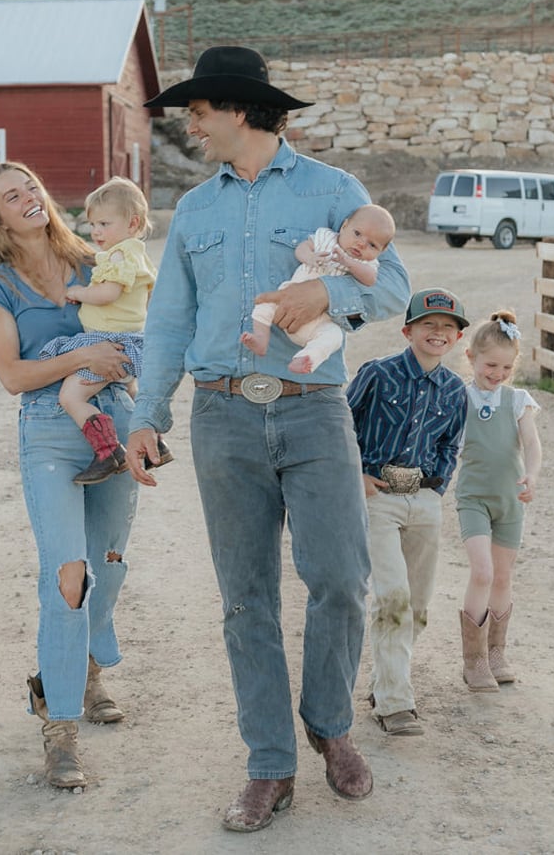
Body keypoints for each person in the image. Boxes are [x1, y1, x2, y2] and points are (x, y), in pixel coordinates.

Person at [126, 46, 410, 832]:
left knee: (341, 579)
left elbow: (393, 283)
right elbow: (170, 319)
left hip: (315, 408)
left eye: (199, 111)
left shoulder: (334, 189)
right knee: (244, 598)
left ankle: (330, 724)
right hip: (222, 413)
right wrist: (148, 414)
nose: (191, 126)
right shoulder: (194, 211)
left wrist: (328, 290)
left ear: (241, 111)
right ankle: (269, 764)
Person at [0, 161, 140, 790]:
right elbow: (12, 376)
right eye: (12, 197)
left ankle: (84, 670)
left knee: (110, 564)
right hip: (47, 431)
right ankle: (60, 731)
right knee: (69, 575)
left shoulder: (98, 261)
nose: (29, 199)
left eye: (33, 187)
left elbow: (143, 324)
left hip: (115, 418)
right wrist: (81, 354)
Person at [346, 288, 469, 737]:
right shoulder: (378, 374)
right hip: (378, 497)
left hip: (423, 498)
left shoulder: (456, 391)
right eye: (429, 325)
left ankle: (384, 682)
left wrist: (436, 489)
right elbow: (340, 422)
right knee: (393, 596)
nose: (438, 333)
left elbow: (449, 445)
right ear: (408, 330)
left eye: (448, 328)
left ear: (457, 339)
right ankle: (396, 703)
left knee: (417, 606)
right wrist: (357, 474)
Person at [36, 176, 171, 484]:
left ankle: (108, 451)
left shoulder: (119, 256)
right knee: (130, 390)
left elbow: (108, 293)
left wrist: (79, 293)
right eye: (92, 224)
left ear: (132, 223)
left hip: (108, 341)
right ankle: (157, 444)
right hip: (130, 339)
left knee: (71, 398)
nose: (96, 232)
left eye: (104, 224)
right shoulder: (139, 255)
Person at [455, 308, 543, 692]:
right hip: (473, 498)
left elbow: (532, 443)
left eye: (506, 368)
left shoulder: (516, 400)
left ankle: (496, 652)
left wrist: (533, 474)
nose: (497, 374)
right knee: (482, 573)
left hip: (510, 501)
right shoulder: (460, 398)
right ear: (472, 357)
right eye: (491, 365)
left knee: (503, 576)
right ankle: (472, 660)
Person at [242, 203, 396, 374]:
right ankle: (261, 339)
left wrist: (348, 263)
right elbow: (303, 248)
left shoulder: (366, 263)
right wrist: (309, 257)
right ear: (344, 226)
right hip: (288, 297)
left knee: (334, 336)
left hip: (322, 320)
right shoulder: (326, 238)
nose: (361, 244)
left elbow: (370, 279)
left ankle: (308, 357)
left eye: (372, 245)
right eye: (357, 234)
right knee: (265, 303)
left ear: (382, 250)